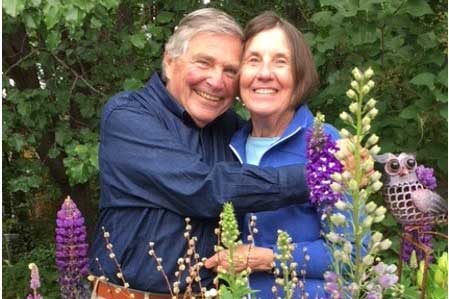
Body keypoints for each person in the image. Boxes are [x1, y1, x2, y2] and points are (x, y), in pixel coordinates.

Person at [89, 8, 312, 298]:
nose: (217, 81)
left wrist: (336, 152)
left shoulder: (233, 131)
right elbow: (206, 188)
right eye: (204, 63)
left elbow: (277, 146)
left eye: (230, 71)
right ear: (170, 63)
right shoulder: (128, 116)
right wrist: (318, 175)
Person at [205, 11, 351, 298]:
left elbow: (352, 254)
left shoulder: (326, 144)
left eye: (280, 62)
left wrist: (265, 258)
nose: (264, 73)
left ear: (299, 76)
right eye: (253, 60)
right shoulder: (227, 142)